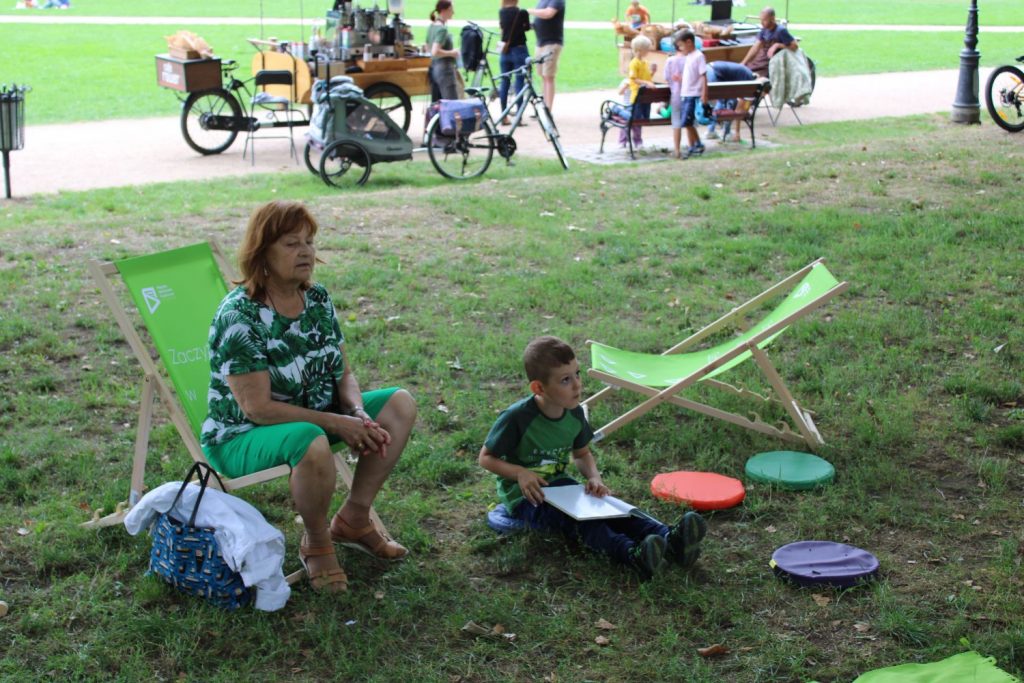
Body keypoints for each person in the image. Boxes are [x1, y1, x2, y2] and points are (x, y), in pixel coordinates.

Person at [201, 200, 417, 594]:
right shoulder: (239, 316)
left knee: (398, 405)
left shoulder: (316, 299)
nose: (305, 252)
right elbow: (258, 409)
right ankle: (316, 542)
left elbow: (343, 372)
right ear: (262, 253)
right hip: (242, 435)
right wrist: (337, 422)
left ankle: (354, 519)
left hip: (317, 417)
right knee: (312, 439)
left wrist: (356, 411)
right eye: (291, 243)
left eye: (309, 242)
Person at [478, 336, 707, 581]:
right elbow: (485, 458)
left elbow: (582, 453)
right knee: (584, 522)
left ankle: (670, 538)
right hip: (526, 498)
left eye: (577, 374)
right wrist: (520, 473)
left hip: (562, 487)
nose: (577, 385)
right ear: (539, 388)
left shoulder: (575, 414)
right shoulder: (517, 417)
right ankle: (632, 555)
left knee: (612, 509)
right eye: (565, 380)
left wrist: (594, 478)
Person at [665, 30, 707, 159]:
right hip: (685, 94)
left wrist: (704, 94)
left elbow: (703, 76)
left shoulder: (698, 56)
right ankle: (695, 145)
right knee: (687, 122)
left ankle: (697, 144)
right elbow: (691, 76)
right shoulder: (689, 56)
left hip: (692, 94)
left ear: (689, 42)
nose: (681, 49)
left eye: (681, 46)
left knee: (687, 122)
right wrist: (681, 79)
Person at [498, 0, 532, 125]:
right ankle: (518, 117)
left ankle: (504, 116)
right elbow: (526, 28)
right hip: (519, 50)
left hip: (505, 51)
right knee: (519, 83)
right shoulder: (522, 12)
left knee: (504, 83)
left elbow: (502, 28)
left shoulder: (502, 12)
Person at [526, 0, 564, 110]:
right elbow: (539, 21)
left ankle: (548, 109)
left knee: (548, 76)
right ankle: (544, 108)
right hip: (541, 43)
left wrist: (529, 11)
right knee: (543, 75)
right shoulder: (542, 1)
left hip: (552, 43)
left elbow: (548, 13)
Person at [705, 60, 755, 143]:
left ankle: (710, 131)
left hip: (709, 68)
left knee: (722, 101)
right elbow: (740, 110)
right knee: (729, 102)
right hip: (714, 73)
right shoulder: (751, 85)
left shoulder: (747, 73)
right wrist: (737, 132)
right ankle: (726, 133)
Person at [621, 35, 656, 149]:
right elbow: (634, 79)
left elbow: (646, 79)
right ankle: (629, 140)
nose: (649, 51)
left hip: (644, 97)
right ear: (640, 50)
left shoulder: (644, 62)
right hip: (636, 96)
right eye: (647, 49)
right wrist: (647, 83)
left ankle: (635, 140)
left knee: (639, 119)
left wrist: (652, 73)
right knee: (634, 119)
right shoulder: (634, 63)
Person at [740, 6, 797, 77]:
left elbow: (795, 46)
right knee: (744, 71)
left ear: (772, 19)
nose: (761, 23)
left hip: (770, 64)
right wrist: (743, 63)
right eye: (761, 20)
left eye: (764, 20)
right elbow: (755, 47)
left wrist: (777, 45)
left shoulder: (781, 30)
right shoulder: (764, 30)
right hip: (761, 61)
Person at [427, 0, 460, 101]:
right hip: (445, 71)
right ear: (443, 11)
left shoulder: (432, 27)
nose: (453, 12)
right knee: (451, 103)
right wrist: (452, 53)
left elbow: (427, 47)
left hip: (434, 69)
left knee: (438, 104)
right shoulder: (442, 29)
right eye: (451, 10)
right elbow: (435, 51)